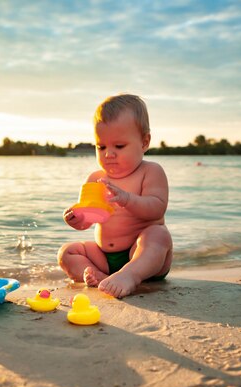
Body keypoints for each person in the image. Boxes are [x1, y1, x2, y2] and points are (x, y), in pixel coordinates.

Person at [58, 94, 172, 298]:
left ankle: (131, 275)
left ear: (144, 142)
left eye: (119, 146)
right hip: (104, 256)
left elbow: (157, 208)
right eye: (101, 147)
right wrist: (77, 219)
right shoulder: (96, 178)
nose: (109, 154)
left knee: (158, 235)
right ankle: (102, 277)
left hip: (141, 254)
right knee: (67, 252)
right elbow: (88, 221)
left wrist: (127, 199)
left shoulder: (150, 172)